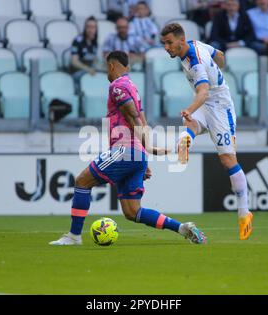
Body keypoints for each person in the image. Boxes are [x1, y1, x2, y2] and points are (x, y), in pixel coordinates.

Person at [49, 51, 207, 246]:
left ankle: (73, 237)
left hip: (124, 150)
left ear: (111, 66)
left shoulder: (117, 86)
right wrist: (143, 156)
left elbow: (132, 116)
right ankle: (181, 228)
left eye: (107, 67)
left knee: (82, 182)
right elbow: (142, 120)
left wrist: (147, 148)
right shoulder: (132, 86)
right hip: (135, 153)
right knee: (133, 212)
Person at [160, 23, 253, 241]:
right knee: (190, 125)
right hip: (207, 103)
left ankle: (244, 213)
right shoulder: (194, 45)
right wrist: (218, 69)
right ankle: (185, 142)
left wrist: (189, 109)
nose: (166, 47)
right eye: (163, 43)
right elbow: (219, 55)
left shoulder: (195, 62)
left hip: (220, 106)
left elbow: (202, 93)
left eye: (169, 42)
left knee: (228, 161)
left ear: (181, 41)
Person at [70, 16, 99, 85]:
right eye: (88, 27)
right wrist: (88, 69)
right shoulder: (77, 40)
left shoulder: (94, 42)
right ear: (85, 28)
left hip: (89, 72)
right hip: (78, 73)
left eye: (93, 27)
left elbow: (94, 60)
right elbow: (74, 62)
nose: (90, 30)